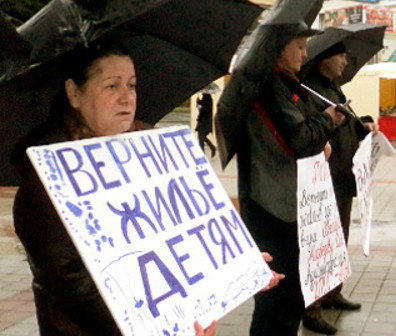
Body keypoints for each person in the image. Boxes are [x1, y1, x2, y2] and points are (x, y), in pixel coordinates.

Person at [12, 44, 281, 336]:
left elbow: (187, 227)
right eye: (111, 86)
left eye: (131, 85)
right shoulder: (47, 174)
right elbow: (69, 282)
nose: (126, 97)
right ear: (74, 93)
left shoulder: (150, 145)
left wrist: (238, 268)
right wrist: (160, 327)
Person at [235, 22, 346, 336]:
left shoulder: (288, 84)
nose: (305, 52)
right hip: (272, 208)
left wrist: (322, 132)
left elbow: (301, 134)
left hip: (288, 203)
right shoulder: (269, 86)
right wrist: (326, 121)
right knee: (277, 301)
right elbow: (297, 138)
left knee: (290, 300)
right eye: (298, 46)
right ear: (278, 48)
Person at [300, 41, 377, 335]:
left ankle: (333, 293)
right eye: (341, 56)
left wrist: (364, 125)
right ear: (324, 60)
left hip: (343, 179)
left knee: (338, 241)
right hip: (323, 182)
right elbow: (314, 130)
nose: (346, 61)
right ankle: (312, 307)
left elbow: (348, 125)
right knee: (320, 245)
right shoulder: (310, 91)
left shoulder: (333, 89)